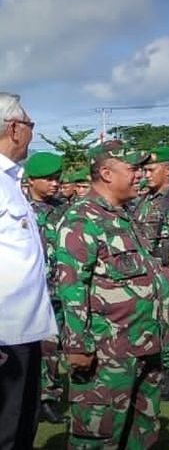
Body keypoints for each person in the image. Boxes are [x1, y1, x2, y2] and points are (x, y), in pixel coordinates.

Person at [56, 140, 166, 448]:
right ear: (106, 173)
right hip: (106, 355)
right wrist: (78, 344)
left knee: (141, 432)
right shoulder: (82, 220)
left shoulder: (123, 215)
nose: (140, 176)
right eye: (133, 169)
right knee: (97, 438)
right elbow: (72, 286)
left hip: (143, 345)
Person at [0, 93, 58, 448]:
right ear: (14, 128)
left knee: (22, 425)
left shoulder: (10, 180)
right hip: (4, 336)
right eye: (31, 125)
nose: (32, 133)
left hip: (23, 332)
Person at [134, 146, 169, 400]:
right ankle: (153, 372)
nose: (146, 174)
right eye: (144, 170)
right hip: (149, 275)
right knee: (151, 325)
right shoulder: (145, 200)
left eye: (151, 170)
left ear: (168, 170)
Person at [24, 151, 68, 423]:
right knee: (27, 351)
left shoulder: (64, 209)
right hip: (29, 292)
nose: (55, 184)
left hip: (59, 290)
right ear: (31, 180)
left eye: (57, 179)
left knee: (53, 348)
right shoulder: (19, 208)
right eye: (48, 179)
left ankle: (47, 398)